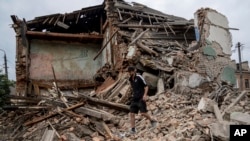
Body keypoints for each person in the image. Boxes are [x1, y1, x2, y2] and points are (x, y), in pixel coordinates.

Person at [127, 66, 157, 133]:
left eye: (131, 71)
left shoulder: (139, 77)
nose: (130, 73)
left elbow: (146, 87)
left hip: (140, 98)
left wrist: (145, 95)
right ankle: (133, 129)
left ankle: (152, 120)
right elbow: (133, 87)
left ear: (134, 71)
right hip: (134, 98)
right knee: (132, 113)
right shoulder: (130, 79)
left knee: (143, 113)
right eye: (129, 72)